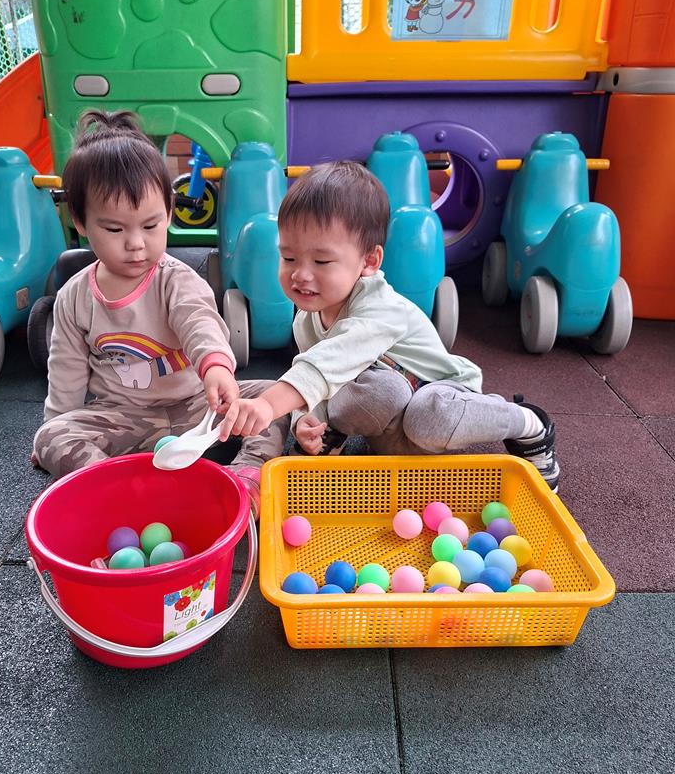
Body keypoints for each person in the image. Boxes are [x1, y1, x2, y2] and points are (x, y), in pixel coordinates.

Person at [219, 160, 559, 491]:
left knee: (428, 415)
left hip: (442, 399)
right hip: (393, 429)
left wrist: (269, 404)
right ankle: (333, 439)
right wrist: (308, 420)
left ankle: (530, 423)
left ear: (369, 261)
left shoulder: (380, 306)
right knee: (381, 390)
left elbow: (334, 357)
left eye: (321, 261)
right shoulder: (307, 320)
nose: (300, 274)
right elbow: (316, 376)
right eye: (288, 257)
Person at [32, 110, 289, 513]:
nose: (136, 243)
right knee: (50, 437)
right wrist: (57, 425)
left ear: (169, 213)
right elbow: (65, 369)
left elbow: (200, 324)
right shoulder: (74, 297)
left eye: (151, 226)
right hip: (125, 417)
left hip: (199, 409)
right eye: (115, 229)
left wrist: (216, 369)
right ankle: (119, 492)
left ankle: (247, 477)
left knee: (273, 397)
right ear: (80, 222)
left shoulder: (175, 279)